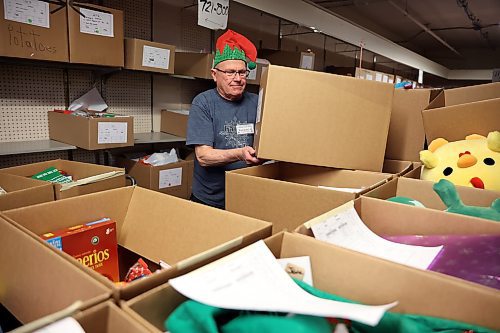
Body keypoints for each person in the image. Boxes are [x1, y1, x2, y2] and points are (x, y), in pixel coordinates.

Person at [186, 29, 261, 209]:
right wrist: (240, 153)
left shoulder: (257, 102)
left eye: (242, 73)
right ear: (214, 74)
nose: (237, 79)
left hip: (248, 194)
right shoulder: (203, 103)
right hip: (210, 199)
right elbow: (203, 156)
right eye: (230, 72)